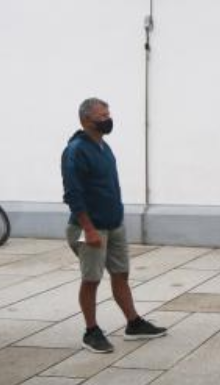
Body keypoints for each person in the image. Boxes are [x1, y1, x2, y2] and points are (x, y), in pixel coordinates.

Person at [62, 98, 167, 354]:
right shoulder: (75, 150)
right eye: (102, 115)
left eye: (108, 113)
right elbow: (73, 194)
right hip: (90, 227)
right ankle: (91, 331)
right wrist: (88, 229)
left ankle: (133, 323)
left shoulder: (103, 147)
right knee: (91, 279)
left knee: (121, 274)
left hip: (113, 223)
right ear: (86, 120)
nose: (108, 119)